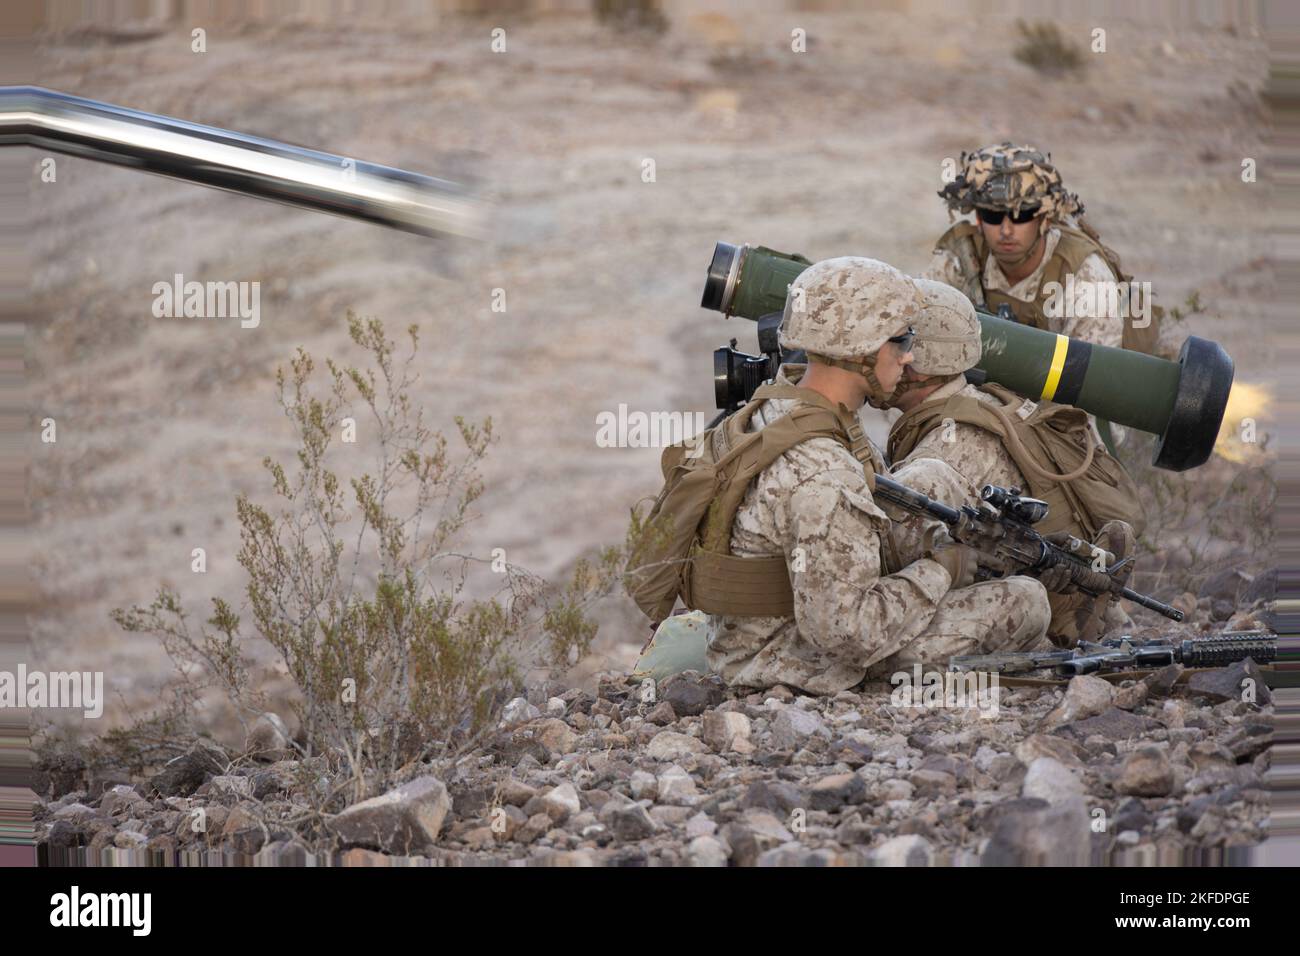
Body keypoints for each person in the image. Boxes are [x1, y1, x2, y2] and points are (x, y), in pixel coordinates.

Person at [703, 256, 1052, 694]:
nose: (909, 357)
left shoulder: (786, 405)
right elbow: (846, 633)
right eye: (900, 340)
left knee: (932, 476)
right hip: (786, 656)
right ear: (861, 351)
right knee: (1025, 602)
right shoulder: (825, 475)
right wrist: (941, 571)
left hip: (760, 627)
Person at [886, 277, 1143, 646]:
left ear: (920, 364)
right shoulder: (986, 399)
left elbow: (896, 552)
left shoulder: (949, 442)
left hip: (1028, 602)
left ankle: (1070, 613)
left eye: (895, 341)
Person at [925, 142, 1159, 356]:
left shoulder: (1086, 280)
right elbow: (920, 329)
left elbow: (1092, 380)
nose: (1006, 230)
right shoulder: (961, 257)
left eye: (1022, 215)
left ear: (1045, 219)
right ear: (978, 218)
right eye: (993, 215)